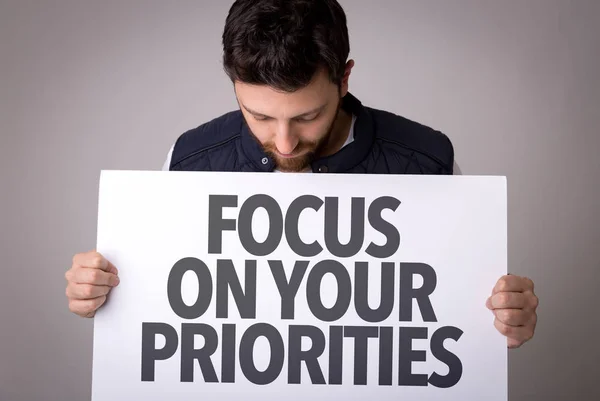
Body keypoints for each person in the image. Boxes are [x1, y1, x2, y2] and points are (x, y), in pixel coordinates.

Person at [64, 0, 538, 349]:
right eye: (260, 116)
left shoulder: (427, 160)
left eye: (307, 116)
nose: (285, 143)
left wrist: (504, 318)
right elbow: (162, 311)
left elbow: (454, 317)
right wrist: (100, 293)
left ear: (344, 78)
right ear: (235, 87)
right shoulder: (190, 160)